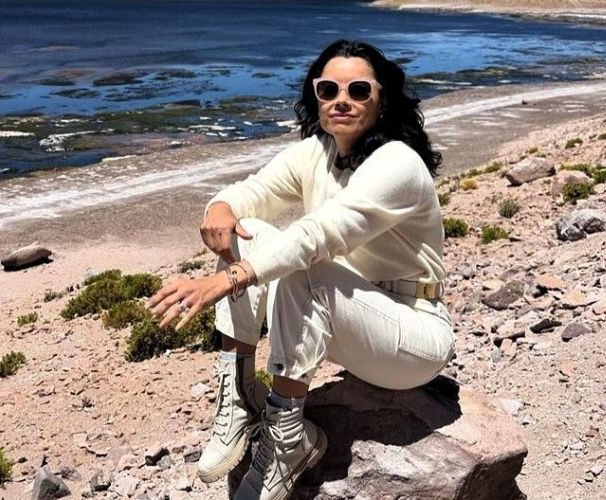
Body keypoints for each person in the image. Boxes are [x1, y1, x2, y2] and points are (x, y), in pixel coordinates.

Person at [148, 39, 455, 500]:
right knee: (248, 229)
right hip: (348, 322)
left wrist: (227, 279)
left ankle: (289, 440)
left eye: (359, 90)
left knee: (304, 263)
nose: (341, 101)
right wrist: (221, 206)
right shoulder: (317, 151)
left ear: (383, 99)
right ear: (316, 96)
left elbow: (321, 234)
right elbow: (254, 191)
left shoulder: (398, 162)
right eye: (328, 89)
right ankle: (240, 396)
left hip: (411, 336)